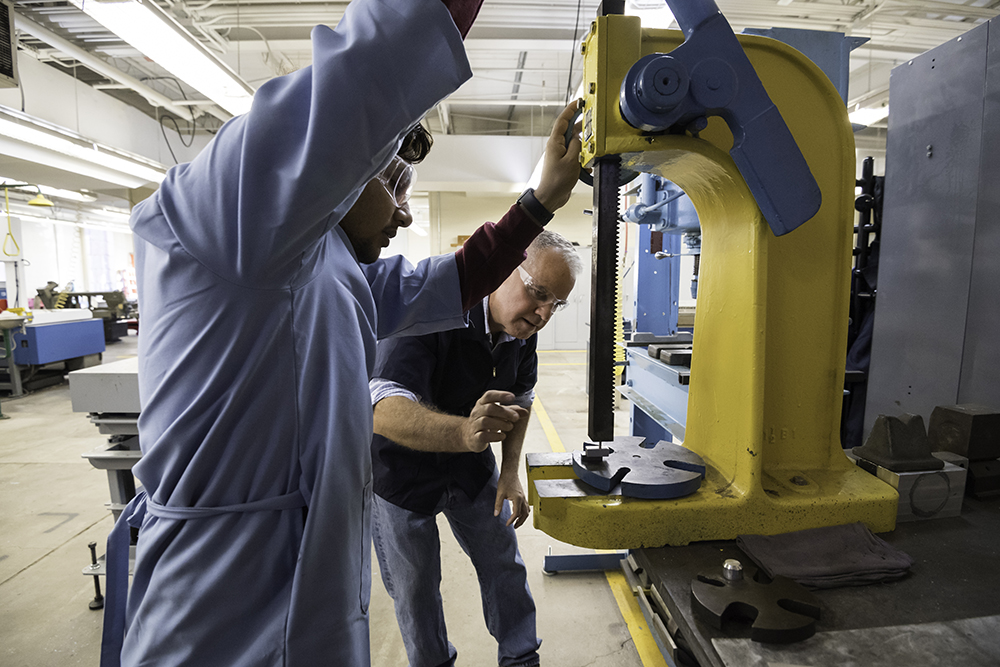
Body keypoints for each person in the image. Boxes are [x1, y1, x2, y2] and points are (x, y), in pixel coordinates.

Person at [99, 0, 583, 664]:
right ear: (337, 170)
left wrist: (541, 201)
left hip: (310, 612)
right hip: (213, 614)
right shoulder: (224, 217)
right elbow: (369, 71)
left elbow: (453, 280)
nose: (407, 217)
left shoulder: (326, 270)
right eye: (395, 187)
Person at [369, 231, 582, 667]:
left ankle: (521, 658)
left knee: (504, 563)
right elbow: (381, 408)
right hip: (399, 473)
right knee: (415, 587)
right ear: (501, 271)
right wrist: (465, 433)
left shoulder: (522, 330)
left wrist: (509, 474)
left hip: (469, 467)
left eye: (555, 304)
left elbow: (519, 401)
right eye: (538, 293)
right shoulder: (428, 309)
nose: (543, 314)